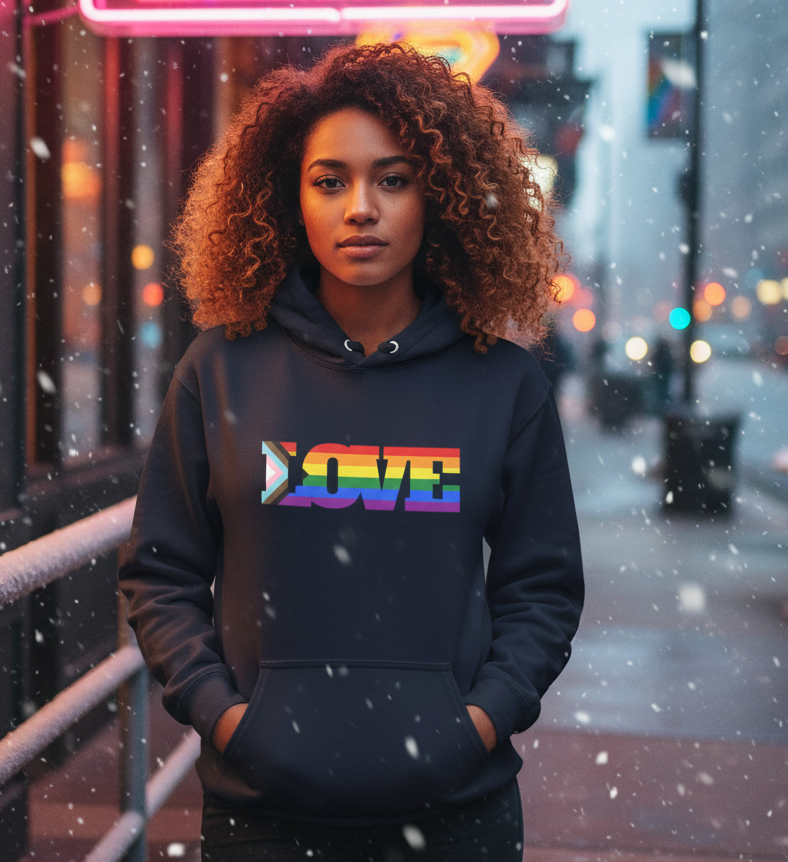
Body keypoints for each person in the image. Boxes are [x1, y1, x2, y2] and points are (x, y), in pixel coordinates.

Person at [118, 42, 584, 861]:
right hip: (264, 815)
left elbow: (541, 589)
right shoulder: (222, 370)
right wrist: (228, 716)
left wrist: (475, 722)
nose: (359, 207)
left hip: (455, 816)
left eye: (392, 179)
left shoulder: (503, 385)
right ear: (288, 198)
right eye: (329, 181)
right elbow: (161, 573)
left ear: (434, 195)